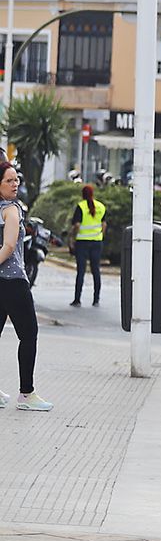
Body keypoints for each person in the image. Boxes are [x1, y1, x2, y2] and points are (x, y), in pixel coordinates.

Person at [0, 161, 50, 410]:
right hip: (13, 282)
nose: (15, 184)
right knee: (29, 334)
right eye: (9, 180)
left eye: (16, 179)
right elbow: (9, 247)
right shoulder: (11, 210)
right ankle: (26, 394)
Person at [68, 182, 107, 307]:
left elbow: (77, 225)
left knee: (81, 271)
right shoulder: (101, 206)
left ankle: (77, 299)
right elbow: (104, 224)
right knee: (96, 271)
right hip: (96, 242)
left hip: (82, 242)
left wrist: (72, 238)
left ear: (82, 195)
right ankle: (96, 299)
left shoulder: (81, 206)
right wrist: (100, 235)